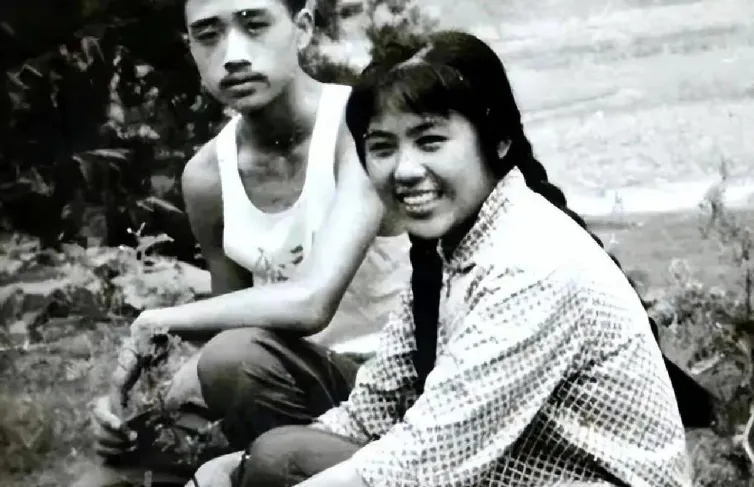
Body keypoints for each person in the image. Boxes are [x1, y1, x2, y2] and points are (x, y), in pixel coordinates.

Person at [192, 30, 699, 487]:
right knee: (276, 455)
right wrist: (236, 468)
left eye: (430, 141)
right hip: (488, 468)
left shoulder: (531, 263)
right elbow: (375, 408)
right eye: (383, 147)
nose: (405, 170)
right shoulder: (451, 248)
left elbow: (428, 458)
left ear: (498, 140)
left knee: (283, 464)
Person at [79, 0, 412, 484]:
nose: (233, 54)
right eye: (208, 35)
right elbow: (231, 323)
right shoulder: (207, 176)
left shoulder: (361, 128)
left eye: (254, 25)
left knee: (232, 366)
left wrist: (158, 319)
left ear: (302, 29)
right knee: (114, 471)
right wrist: (131, 410)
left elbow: (312, 303)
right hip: (284, 385)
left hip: (396, 385)